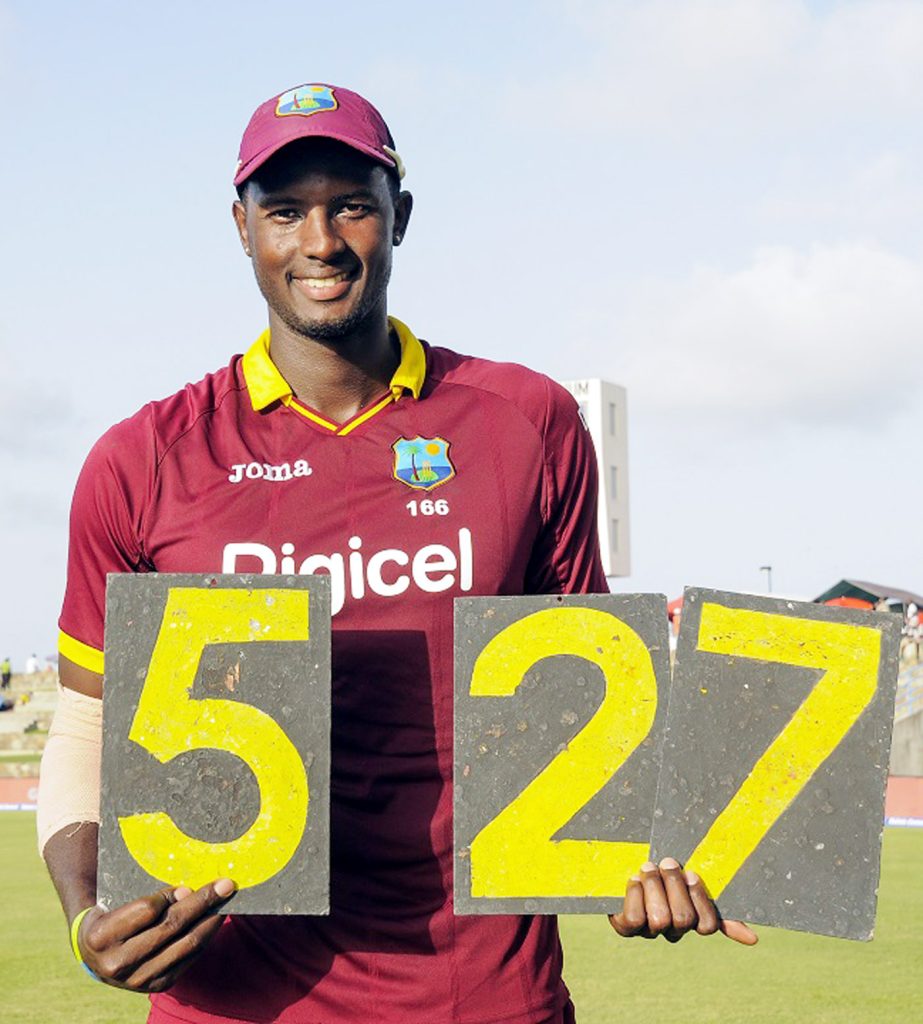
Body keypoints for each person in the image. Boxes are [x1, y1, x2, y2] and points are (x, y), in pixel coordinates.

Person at [38, 82, 756, 1024]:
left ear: (399, 217)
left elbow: (591, 697)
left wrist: (648, 859)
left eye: (353, 206)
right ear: (241, 227)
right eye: (285, 211)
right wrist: (87, 910)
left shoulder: (527, 421)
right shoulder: (146, 458)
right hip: (233, 1001)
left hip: (485, 997)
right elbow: (89, 726)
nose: (320, 241)